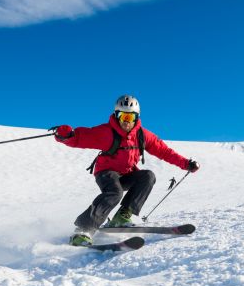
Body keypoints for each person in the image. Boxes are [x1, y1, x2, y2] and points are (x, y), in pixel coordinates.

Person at [52, 95, 200, 246]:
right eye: (123, 116)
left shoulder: (142, 135)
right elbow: (82, 137)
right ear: (117, 115)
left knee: (148, 176)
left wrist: (186, 164)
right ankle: (83, 230)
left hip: (126, 174)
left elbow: (164, 151)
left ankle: (122, 217)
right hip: (106, 173)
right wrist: (66, 136)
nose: (126, 121)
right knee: (115, 192)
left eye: (130, 116)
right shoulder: (107, 132)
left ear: (136, 117)